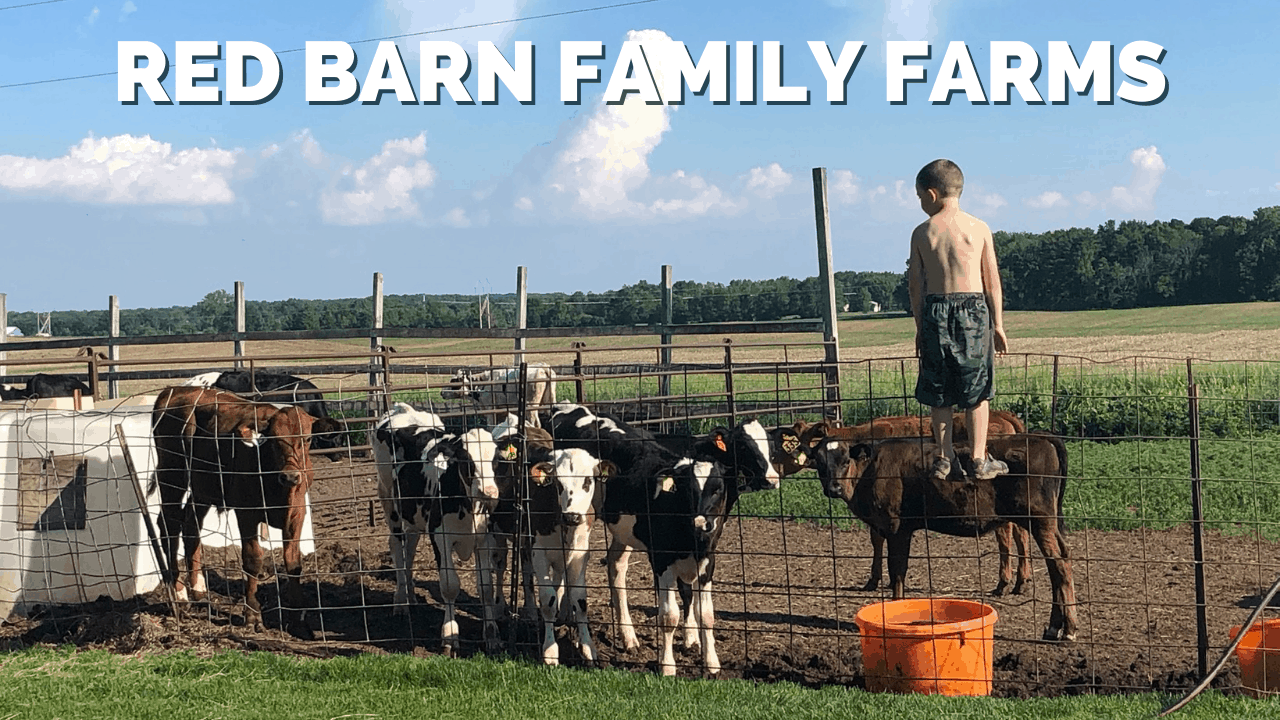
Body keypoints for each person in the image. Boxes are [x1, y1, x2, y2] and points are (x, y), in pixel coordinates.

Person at [908, 159, 1009, 480]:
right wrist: (998, 325)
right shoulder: (978, 228)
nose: (922, 203)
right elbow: (991, 280)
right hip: (973, 310)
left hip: (936, 310)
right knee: (976, 389)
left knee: (939, 390)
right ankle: (979, 459)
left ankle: (945, 457)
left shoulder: (923, 232)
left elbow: (916, 286)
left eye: (920, 197)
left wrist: (919, 326)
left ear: (932, 194)